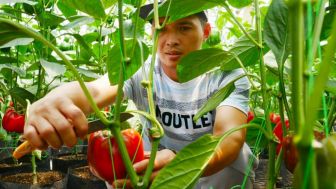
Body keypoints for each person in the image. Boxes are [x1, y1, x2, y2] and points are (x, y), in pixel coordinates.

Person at [23, 3, 257, 189]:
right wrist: (56, 99)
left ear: (206, 32)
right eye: (160, 28)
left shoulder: (226, 72)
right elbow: (96, 90)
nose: (171, 40)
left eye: (184, 27)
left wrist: (180, 164)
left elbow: (228, 139)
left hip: (216, 176)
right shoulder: (143, 71)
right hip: (155, 172)